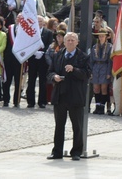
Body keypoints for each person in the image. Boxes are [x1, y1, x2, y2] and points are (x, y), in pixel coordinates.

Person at [47, 32, 91, 161]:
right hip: (60, 95)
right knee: (59, 125)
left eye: (72, 40)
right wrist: (54, 77)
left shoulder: (83, 57)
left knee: (77, 126)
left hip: (75, 96)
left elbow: (87, 74)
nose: (70, 42)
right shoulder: (57, 55)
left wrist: (74, 69)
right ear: (64, 42)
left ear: (77, 42)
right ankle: (57, 151)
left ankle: (76, 151)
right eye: (68, 40)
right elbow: (49, 72)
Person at [26, 15, 53, 109]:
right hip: (33, 58)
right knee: (31, 80)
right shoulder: (30, 31)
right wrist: (34, 52)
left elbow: (50, 44)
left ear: (44, 23)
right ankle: (30, 101)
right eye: (37, 21)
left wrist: (42, 52)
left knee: (43, 81)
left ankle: (42, 101)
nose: (39, 23)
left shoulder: (48, 32)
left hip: (43, 59)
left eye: (41, 21)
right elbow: (28, 43)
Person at [90, 26, 113, 115]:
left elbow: (110, 61)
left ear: (106, 37)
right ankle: (97, 106)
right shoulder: (95, 47)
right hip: (96, 67)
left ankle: (102, 107)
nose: (101, 38)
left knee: (104, 88)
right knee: (96, 88)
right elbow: (91, 60)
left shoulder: (109, 47)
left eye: (103, 36)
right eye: (100, 36)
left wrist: (108, 72)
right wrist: (91, 71)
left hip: (105, 66)